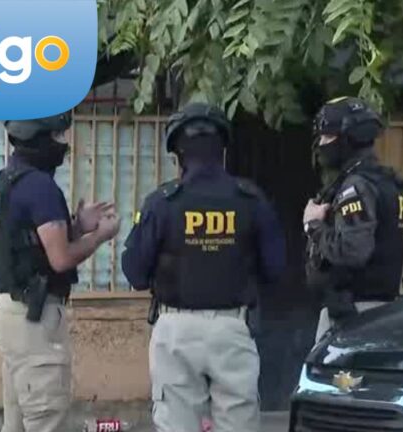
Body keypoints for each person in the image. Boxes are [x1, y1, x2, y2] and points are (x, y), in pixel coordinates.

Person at [121, 102, 286, 432]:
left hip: (175, 330)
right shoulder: (251, 200)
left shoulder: (162, 202)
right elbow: (275, 268)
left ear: (178, 152)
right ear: (223, 147)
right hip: (232, 328)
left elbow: (135, 272)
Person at [0, 111, 121, 432]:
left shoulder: (2, 183)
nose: (62, 143)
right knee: (47, 420)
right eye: (56, 136)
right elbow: (60, 258)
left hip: (9, 311)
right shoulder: (40, 187)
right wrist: (99, 236)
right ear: (38, 139)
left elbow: (31, 244)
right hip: (35, 318)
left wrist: (78, 226)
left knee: (16, 424)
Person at [303, 96, 403, 344]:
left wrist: (313, 225)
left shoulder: (358, 186)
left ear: (349, 139)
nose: (321, 144)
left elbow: (353, 250)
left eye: (328, 137)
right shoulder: (389, 183)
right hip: (378, 311)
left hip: (354, 315)